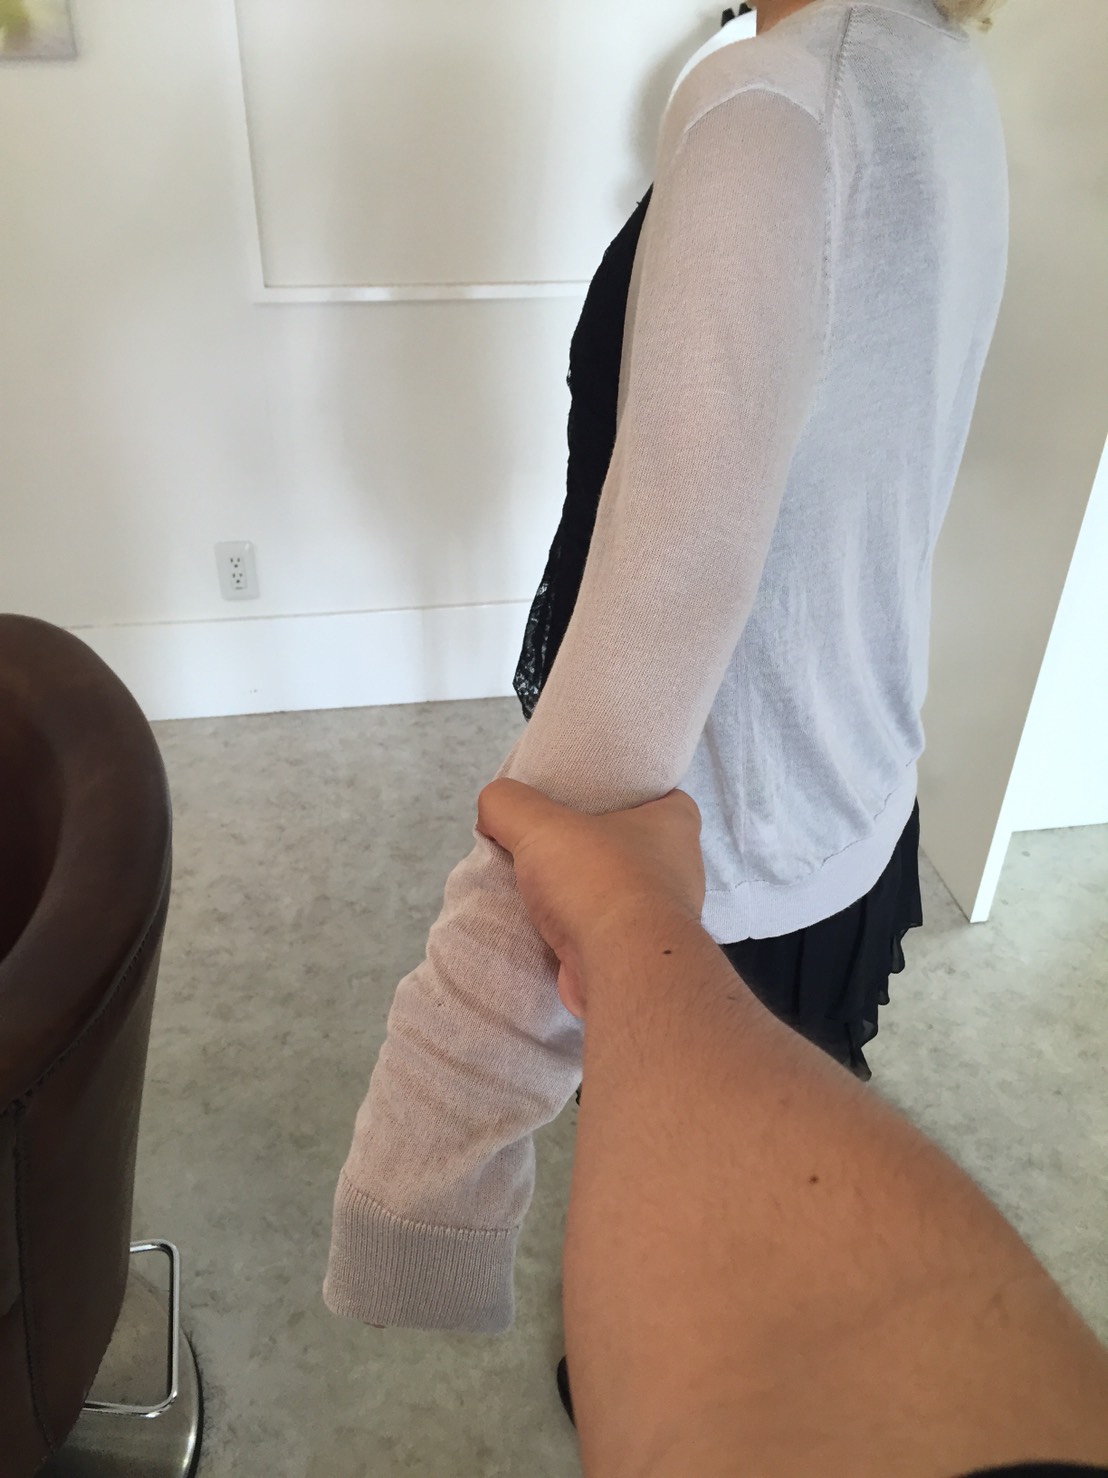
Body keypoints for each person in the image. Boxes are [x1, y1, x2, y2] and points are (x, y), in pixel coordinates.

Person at [325, 0, 1010, 1342]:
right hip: (855, 790)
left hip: (714, 858)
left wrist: (422, 1166)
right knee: (773, 1179)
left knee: (701, 1261)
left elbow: (655, 624)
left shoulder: (770, 108)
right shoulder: (942, 69)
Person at [475, 777, 1108, 1478]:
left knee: (694, 1085)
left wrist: (624, 915)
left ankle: (650, 1348)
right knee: (658, 1108)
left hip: (811, 832)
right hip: (739, 825)